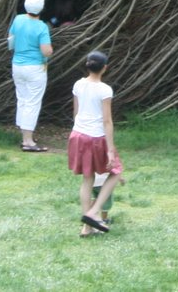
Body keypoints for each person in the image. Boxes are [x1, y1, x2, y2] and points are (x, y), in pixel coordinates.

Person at [68, 50, 121, 236]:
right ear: (105, 68)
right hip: (95, 137)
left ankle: (87, 227)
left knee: (87, 178)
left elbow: (76, 112)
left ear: (87, 66)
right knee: (116, 172)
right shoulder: (104, 90)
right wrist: (110, 150)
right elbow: (107, 121)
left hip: (77, 135)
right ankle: (94, 212)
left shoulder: (78, 84)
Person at [8, 0, 54, 152]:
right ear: (41, 7)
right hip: (35, 68)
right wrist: (50, 51)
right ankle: (28, 142)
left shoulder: (18, 19)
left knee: (22, 99)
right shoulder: (41, 27)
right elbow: (46, 51)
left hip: (17, 66)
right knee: (33, 102)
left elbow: (10, 41)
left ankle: (24, 136)